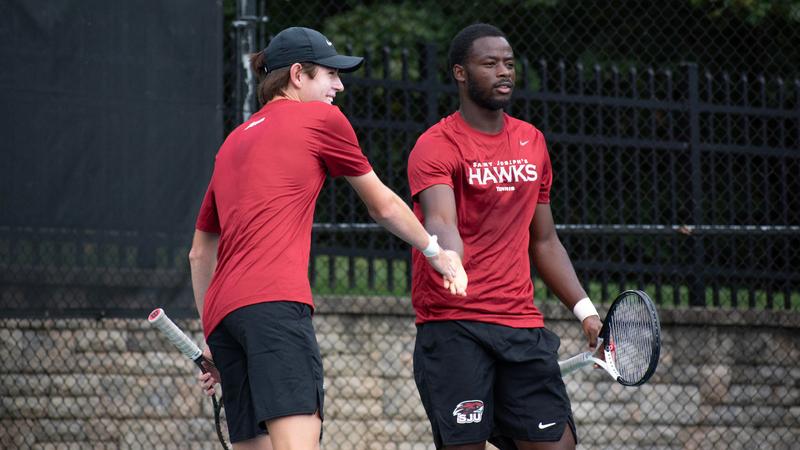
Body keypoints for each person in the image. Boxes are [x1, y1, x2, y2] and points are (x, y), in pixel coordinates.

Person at [190, 26, 467, 450]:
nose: (339, 85)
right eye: (330, 75)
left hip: (226, 320)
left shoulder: (231, 143)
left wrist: (212, 334)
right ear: (298, 75)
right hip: (275, 308)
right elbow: (383, 206)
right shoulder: (320, 118)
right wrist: (436, 252)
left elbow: (199, 252)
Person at [406, 23, 602, 450]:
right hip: (454, 324)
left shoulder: (532, 142)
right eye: (490, 63)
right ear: (461, 72)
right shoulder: (436, 145)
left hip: (520, 324)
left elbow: (545, 240)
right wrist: (450, 260)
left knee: (557, 445)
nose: (504, 72)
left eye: (509, 64)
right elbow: (440, 220)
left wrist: (585, 311)